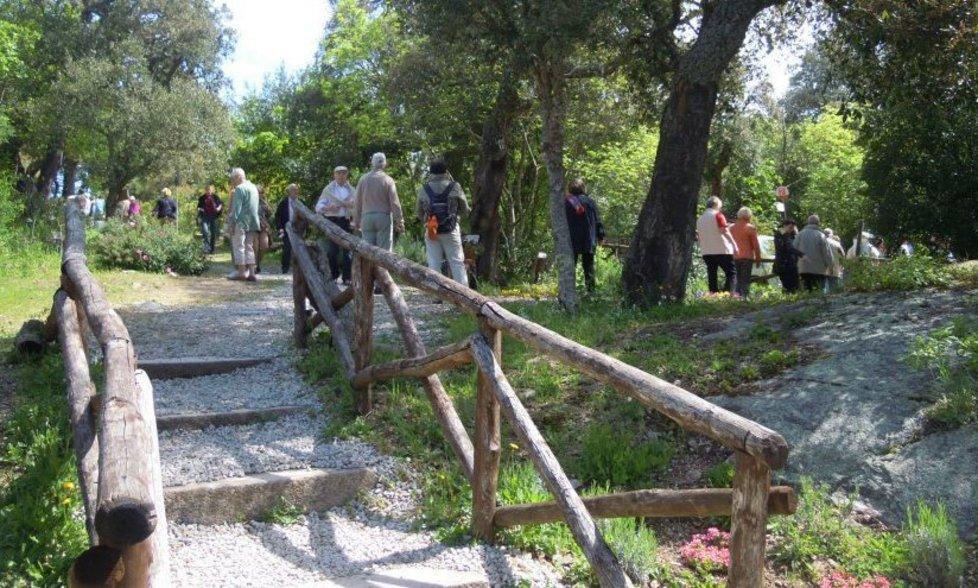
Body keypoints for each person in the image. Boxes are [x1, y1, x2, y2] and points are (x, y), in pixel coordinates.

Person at [416, 158, 471, 286]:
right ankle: (463, 295)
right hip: (451, 228)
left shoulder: (424, 189)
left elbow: (419, 212)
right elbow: (465, 209)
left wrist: (427, 221)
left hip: (431, 227)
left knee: (434, 262)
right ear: (446, 172)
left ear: (431, 172)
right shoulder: (455, 186)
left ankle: (436, 295)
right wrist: (455, 217)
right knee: (456, 262)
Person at [354, 152, 404, 251]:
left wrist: (356, 221)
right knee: (384, 253)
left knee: (368, 251)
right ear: (384, 164)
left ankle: (369, 266)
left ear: (372, 163)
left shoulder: (363, 179)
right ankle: (382, 267)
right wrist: (399, 221)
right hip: (383, 217)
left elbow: (357, 202)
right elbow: (394, 203)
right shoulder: (388, 180)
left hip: (366, 217)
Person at [562, 178, 604, 293]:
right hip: (588, 239)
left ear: (570, 188)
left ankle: (568, 293)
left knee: (570, 267)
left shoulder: (567, 202)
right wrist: (601, 236)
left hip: (571, 239)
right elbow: (598, 220)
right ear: (583, 188)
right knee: (588, 267)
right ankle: (591, 294)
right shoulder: (590, 202)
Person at [316, 166, 356, 282]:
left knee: (347, 250)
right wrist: (328, 207)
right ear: (334, 175)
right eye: (338, 173)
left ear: (347, 175)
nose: (341, 176)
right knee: (332, 251)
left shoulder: (352, 190)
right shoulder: (328, 190)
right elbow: (318, 208)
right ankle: (334, 274)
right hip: (332, 221)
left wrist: (353, 213)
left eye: (343, 173)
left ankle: (347, 277)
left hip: (346, 221)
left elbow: (358, 207)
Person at [696, 196, 739, 294]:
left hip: (706, 251)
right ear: (716, 204)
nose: (720, 208)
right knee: (731, 273)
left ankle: (713, 294)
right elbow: (724, 231)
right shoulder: (718, 215)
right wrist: (734, 245)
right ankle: (729, 294)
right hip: (722, 250)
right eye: (720, 206)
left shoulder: (700, 219)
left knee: (712, 274)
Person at [227, 167, 261, 281]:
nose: (232, 182)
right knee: (249, 247)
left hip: (241, 222)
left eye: (233, 179)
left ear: (238, 177)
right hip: (253, 222)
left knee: (239, 246)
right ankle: (251, 273)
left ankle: (241, 272)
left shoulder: (240, 189)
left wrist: (231, 224)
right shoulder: (254, 187)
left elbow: (236, 209)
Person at [794, 214, 834, 292]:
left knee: (806, 290)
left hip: (803, 268)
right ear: (818, 223)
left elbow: (793, 249)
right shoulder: (821, 236)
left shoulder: (800, 234)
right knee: (818, 290)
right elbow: (827, 253)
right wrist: (831, 266)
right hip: (818, 269)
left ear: (808, 223)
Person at [730, 207, 762, 298]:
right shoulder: (750, 228)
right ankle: (744, 297)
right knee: (745, 279)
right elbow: (756, 246)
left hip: (735, 257)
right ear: (748, 216)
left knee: (737, 279)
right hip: (747, 257)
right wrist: (758, 258)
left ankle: (736, 297)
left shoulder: (731, 228)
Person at [274, 183, 302, 274]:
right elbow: (277, 216)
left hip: (298, 228)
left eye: (296, 190)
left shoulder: (301, 202)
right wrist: (280, 228)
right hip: (287, 228)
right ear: (289, 192)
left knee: (299, 248)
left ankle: (299, 268)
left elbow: (305, 217)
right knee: (287, 248)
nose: (295, 191)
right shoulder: (283, 203)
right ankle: (285, 268)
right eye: (293, 190)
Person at [774, 220, 801, 293]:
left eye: (793, 228)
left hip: (792, 264)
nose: (791, 229)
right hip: (784, 265)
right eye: (790, 227)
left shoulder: (792, 235)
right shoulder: (779, 234)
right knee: (788, 286)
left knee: (795, 286)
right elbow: (786, 248)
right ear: (784, 226)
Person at [196, 185, 223, 253]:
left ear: (212, 190)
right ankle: (207, 247)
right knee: (205, 231)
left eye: (209, 189)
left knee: (213, 233)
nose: (208, 191)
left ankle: (212, 249)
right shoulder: (202, 198)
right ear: (205, 190)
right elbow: (198, 207)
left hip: (213, 216)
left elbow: (220, 204)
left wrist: (218, 208)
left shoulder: (215, 197)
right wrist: (201, 209)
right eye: (207, 189)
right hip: (204, 216)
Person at [256, 187, 273, 274]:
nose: (259, 194)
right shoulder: (250, 201)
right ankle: (254, 265)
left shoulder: (264, 202)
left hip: (263, 227)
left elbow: (270, 213)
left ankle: (257, 262)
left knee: (264, 246)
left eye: (260, 193)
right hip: (252, 226)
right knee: (254, 247)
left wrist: (265, 203)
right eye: (258, 192)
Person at [824, 228, 846, 292]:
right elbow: (843, 255)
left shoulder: (820, 242)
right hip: (834, 269)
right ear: (831, 234)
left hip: (822, 269)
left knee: (823, 287)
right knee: (833, 288)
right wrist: (841, 265)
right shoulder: (836, 243)